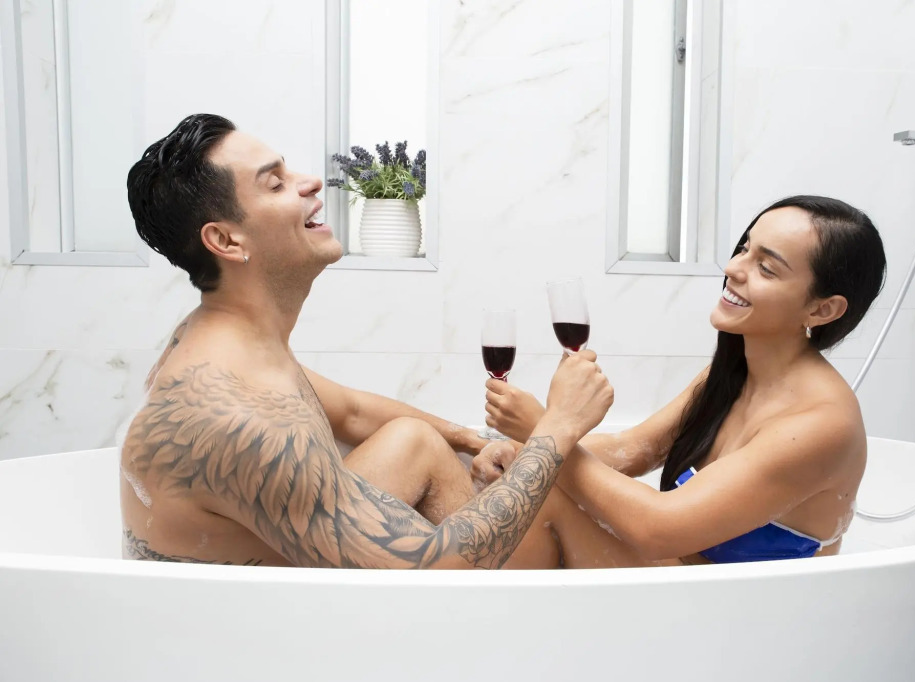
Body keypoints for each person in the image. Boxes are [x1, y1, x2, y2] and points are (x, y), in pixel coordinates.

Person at [120, 113, 614, 568]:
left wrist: (476, 441)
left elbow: (352, 411)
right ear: (227, 241)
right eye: (276, 183)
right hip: (269, 627)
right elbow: (431, 571)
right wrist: (559, 426)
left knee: (414, 440)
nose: (311, 182)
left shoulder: (232, 342)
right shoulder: (238, 418)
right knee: (551, 511)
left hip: (284, 590)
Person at [478, 196, 887, 566]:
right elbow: (633, 449)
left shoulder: (821, 425)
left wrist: (547, 437)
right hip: (681, 591)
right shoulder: (731, 376)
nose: (733, 268)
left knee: (539, 502)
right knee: (508, 483)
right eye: (745, 248)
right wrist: (523, 453)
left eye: (765, 267)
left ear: (822, 310)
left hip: (736, 616)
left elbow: (658, 530)